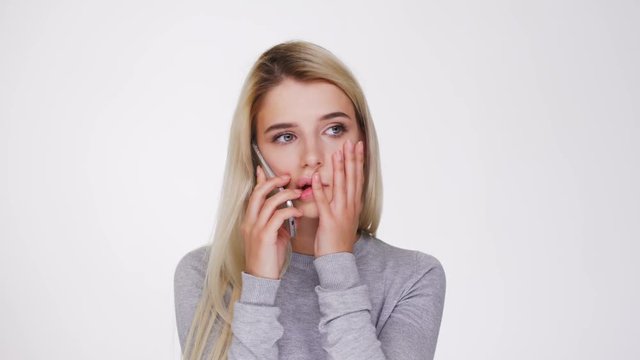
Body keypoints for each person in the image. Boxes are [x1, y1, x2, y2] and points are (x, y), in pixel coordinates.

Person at [174, 40, 446, 360]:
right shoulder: (204, 276)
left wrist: (337, 267)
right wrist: (258, 289)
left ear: (364, 142)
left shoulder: (414, 276)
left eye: (333, 129)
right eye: (286, 136)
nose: (312, 157)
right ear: (254, 156)